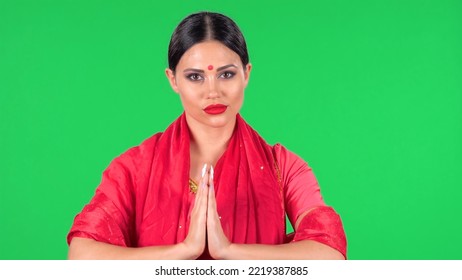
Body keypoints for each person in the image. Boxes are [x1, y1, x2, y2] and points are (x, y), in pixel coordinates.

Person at [67, 11, 347, 260]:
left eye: (226, 75)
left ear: (246, 74)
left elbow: (329, 254)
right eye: (195, 77)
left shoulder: (282, 167)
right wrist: (184, 250)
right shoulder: (135, 168)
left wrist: (227, 251)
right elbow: (81, 255)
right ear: (172, 79)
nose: (212, 91)